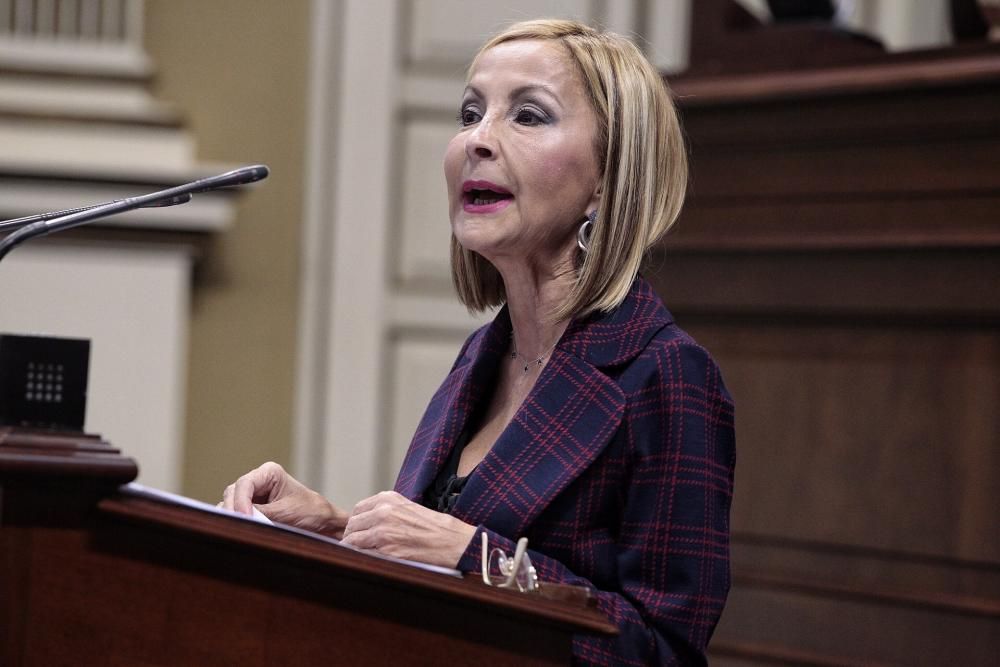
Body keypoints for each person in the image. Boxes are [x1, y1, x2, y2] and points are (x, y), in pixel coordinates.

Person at [223, 19, 735, 665]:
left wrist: (476, 557)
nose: (477, 140)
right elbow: (445, 552)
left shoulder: (666, 374)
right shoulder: (483, 355)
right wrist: (336, 527)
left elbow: (664, 650)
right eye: (470, 113)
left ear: (609, 177)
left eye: (527, 116)